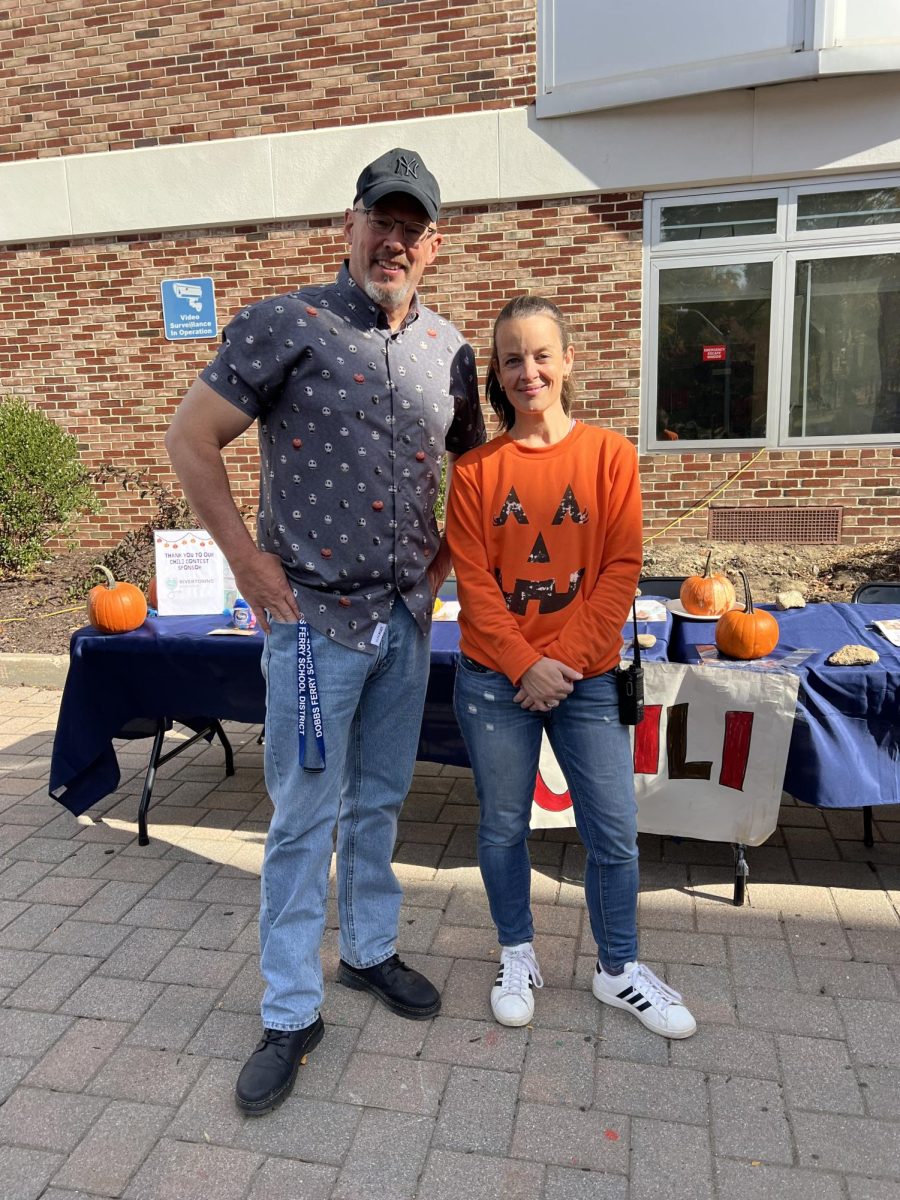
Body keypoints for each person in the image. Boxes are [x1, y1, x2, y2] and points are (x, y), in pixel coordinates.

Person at [165, 147, 485, 1115]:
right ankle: (291, 1009)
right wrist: (248, 565)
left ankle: (371, 953)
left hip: (401, 619)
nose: (394, 241)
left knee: (382, 799)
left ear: (433, 245)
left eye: (412, 228)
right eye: (378, 222)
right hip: (311, 625)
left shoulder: (452, 351)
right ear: (348, 227)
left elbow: (474, 470)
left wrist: (442, 567)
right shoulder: (283, 326)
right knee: (305, 822)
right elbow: (191, 438)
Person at [445, 295, 696, 1039]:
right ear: (498, 370)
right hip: (495, 679)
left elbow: (620, 570)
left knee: (613, 830)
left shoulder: (610, 458)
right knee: (500, 829)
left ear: (568, 361)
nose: (529, 371)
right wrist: (525, 665)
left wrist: (561, 663)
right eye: (513, 358)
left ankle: (618, 969)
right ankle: (516, 952)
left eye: (541, 354)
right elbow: (475, 583)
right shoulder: (475, 472)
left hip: (584, 679)